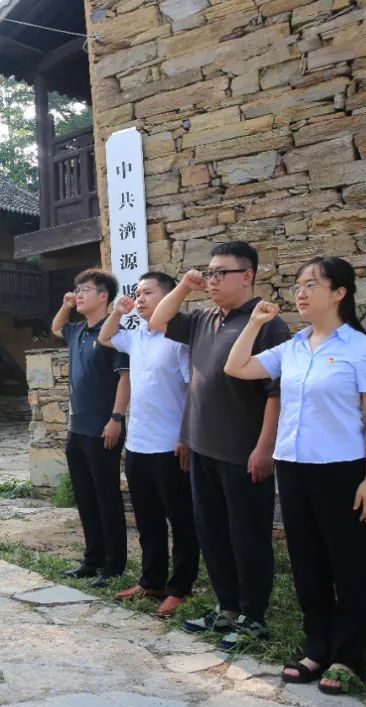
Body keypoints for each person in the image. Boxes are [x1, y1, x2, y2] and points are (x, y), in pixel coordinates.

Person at [224, 256, 366, 695]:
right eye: (298, 284)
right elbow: (236, 367)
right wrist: (254, 324)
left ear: (339, 292)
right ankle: (316, 647)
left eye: (311, 284)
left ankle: (347, 657)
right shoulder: (293, 347)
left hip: (342, 471)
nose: (300, 292)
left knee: (347, 566)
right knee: (306, 563)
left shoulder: (365, 350)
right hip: (294, 469)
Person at [149, 241, 290, 651]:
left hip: (243, 453)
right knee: (211, 533)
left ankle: (253, 616)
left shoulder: (267, 322)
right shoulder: (203, 318)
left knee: (248, 536)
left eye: (219, 273)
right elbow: (158, 320)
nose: (211, 280)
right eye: (208, 272)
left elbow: (276, 392)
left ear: (247, 275)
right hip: (203, 448)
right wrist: (183, 287)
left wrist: (265, 447)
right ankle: (226, 607)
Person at [98, 272, 197, 617]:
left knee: (181, 521)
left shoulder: (178, 340)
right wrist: (117, 311)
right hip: (138, 446)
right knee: (147, 519)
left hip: (170, 447)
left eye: (148, 293)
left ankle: (180, 587)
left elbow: (193, 391)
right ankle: (151, 580)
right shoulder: (136, 336)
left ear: (168, 297)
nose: (140, 299)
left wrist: (186, 436)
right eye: (137, 293)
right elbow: (105, 336)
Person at [50, 269, 130, 589]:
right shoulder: (77, 331)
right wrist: (66, 305)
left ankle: (113, 565)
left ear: (104, 296)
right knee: (85, 496)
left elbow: (124, 378)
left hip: (103, 428)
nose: (79, 294)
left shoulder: (113, 332)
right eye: (77, 289)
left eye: (85, 289)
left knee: (106, 496)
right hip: (78, 429)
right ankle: (92, 559)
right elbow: (56, 328)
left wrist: (116, 418)